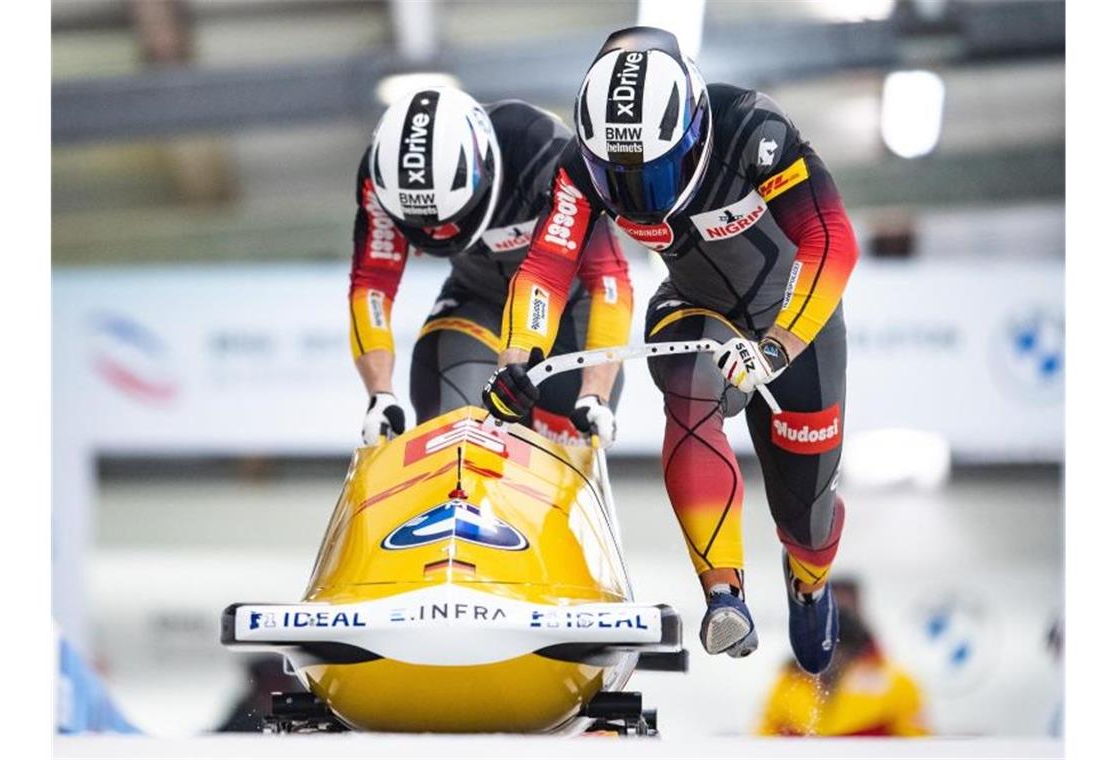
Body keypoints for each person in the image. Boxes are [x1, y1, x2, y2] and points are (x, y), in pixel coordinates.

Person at [482, 27, 859, 672]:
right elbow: (547, 264)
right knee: (689, 386)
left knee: (806, 517)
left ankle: (809, 580)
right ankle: (723, 595)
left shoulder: (754, 132)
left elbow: (830, 239)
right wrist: (518, 357)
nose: (637, 192)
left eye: (654, 170)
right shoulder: (581, 169)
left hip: (799, 323)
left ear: (691, 131)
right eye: (618, 174)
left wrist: (777, 345)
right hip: (693, 306)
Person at [349, 87, 632, 445]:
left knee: (566, 439)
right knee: (451, 438)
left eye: (451, 220)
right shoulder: (378, 179)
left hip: (566, 309)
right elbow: (372, 282)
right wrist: (380, 394)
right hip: (475, 302)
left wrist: (595, 393)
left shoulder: (542, 151)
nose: (439, 233)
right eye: (422, 226)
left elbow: (609, 279)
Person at [757, 578, 930, 736]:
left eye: (845, 609)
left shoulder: (895, 682)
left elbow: (919, 746)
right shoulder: (787, 683)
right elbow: (763, 742)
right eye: (826, 607)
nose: (837, 615)